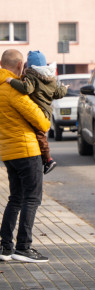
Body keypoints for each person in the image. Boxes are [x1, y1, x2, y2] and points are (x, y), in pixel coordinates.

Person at [0, 49, 52, 263]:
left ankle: (5, 247)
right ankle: (23, 247)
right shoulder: (14, 91)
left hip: (8, 152)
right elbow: (42, 122)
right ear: (21, 65)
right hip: (27, 150)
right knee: (32, 198)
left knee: (16, 199)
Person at [5, 50, 66, 175]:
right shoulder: (51, 79)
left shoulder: (31, 77)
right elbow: (58, 94)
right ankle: (46, 159)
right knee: (41, 135)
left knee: (40, 135)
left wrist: (12, 81)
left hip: (39, 112)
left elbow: (26, 88)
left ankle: (48, 159)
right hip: (48, 112)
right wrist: (64, 89)